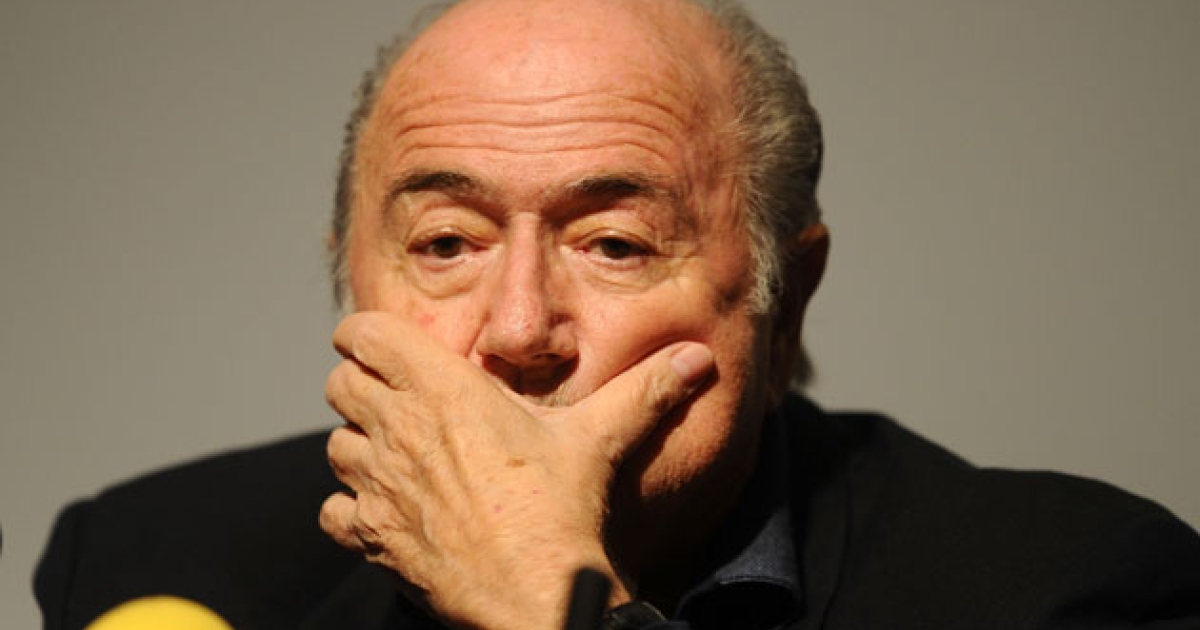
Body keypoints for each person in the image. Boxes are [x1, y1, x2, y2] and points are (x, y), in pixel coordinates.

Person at [35, 1, 1200, 629]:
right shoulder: (150, 561)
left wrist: (553, 611)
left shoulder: (1070, 590)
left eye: (615, 245)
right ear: (352, 278)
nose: (518, 331)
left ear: (788, 302)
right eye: (445, 244)